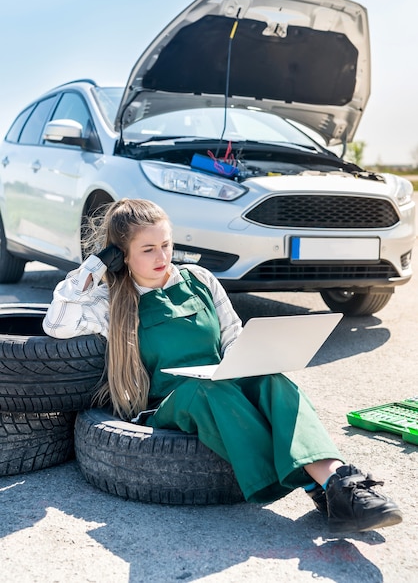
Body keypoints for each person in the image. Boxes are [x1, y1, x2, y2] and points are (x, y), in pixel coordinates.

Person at [43, 198, 402, 534]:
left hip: (221, 379)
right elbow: (56, 324)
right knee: (207, 389)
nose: (161, 256)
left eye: (166, 244)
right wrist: (93, 266)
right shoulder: (112, 300)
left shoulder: (199, 279)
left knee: (272, 380)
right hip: (165, 404)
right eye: (148, 249)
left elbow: (232, 335)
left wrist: (250, 360)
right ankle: (311, 481)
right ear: (122, 255)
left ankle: (342, 484)